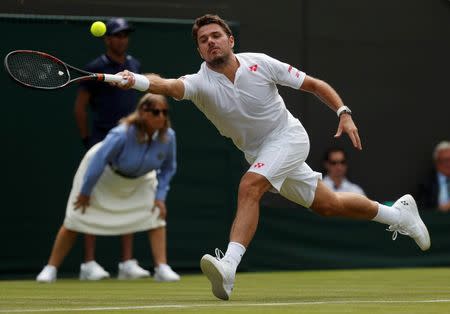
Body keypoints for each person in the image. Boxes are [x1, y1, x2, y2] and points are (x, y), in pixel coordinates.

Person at [115, 14, 430, 300]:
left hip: (289, 138)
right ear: (200, 51)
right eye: (203, 40)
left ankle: (228, 266)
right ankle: (398, 215)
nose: (210, 41)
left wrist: (343, 112)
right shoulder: (198, 84)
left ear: (230, 40)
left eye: (216, 35)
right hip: (260, 152)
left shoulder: (260, 64)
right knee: (328, 205)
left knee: (250, 186)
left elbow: (315, 85)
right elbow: (167, 86)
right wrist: (138, 80)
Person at [36, 93, 180, 283]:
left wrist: (160, 196)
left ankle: (161, 267)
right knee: (75, 217)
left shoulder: (168, 136)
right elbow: (98, 160)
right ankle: (50, 268)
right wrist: (86, 191)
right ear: (142, 112)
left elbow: (169, 167)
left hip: (140, 179)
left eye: (164, 112)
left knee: (156, 215)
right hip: (103, 175)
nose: (161, 116)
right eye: (155, 112)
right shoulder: (122, 133)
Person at [74, 17, 147, 280]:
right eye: (117, 35)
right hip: (101, 139)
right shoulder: (95, 68)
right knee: (90, 194)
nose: (122, 39)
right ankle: (88, 264)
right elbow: (80, 108)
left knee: (127, 193)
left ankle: (127, 262)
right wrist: (88, 140)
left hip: (129, 141)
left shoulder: (134, 65)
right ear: (107, 39)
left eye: (125, 35)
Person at [417, 141, 450, 212]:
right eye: (446, 160)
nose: (449, 164)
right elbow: (422, 208)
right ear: (437, 162)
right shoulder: (426, 183)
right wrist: (440, 209)